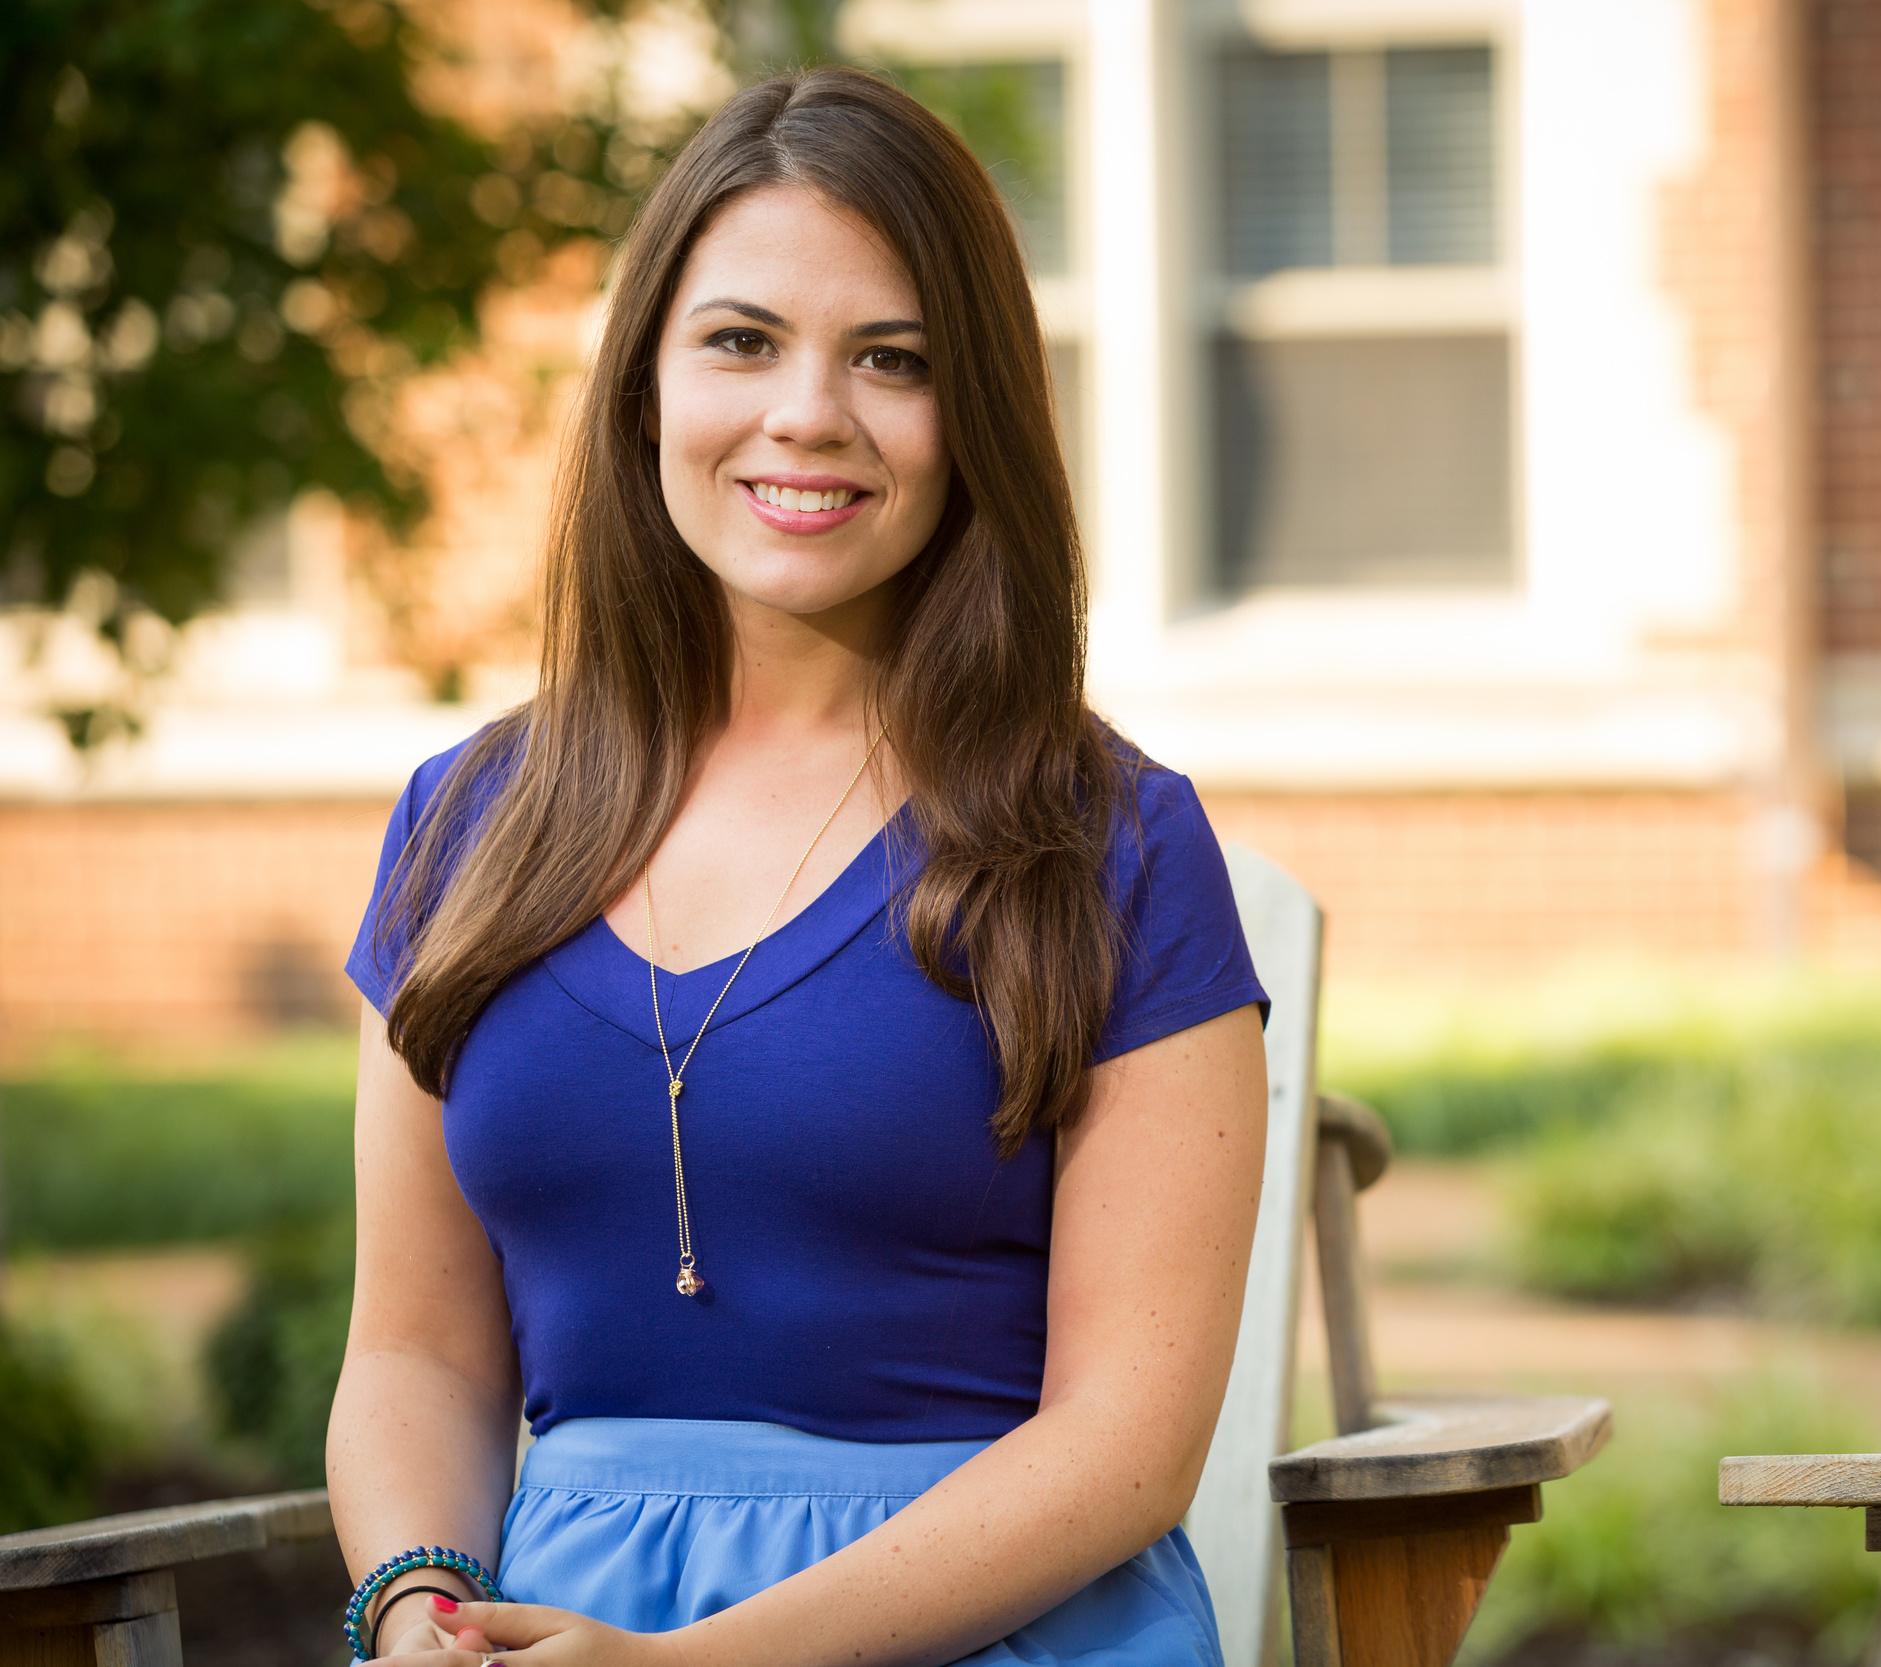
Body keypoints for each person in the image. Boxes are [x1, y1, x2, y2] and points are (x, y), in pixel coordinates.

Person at [328, 66, 1270, 1667]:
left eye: (890, 360)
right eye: (743, 341)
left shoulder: (1109, 846)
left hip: (990, 1628)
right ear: (645, 386)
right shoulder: (465, 829)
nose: (807, 413)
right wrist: (416, 1603)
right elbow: (416, 1352)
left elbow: (1128, 1446)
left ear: (970, 416)